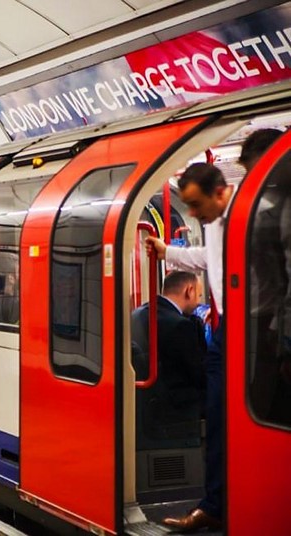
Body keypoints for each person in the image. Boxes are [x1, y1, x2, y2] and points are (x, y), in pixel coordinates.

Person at [146, 163, 231, 532]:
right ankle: (215, 503)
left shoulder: (251, 218)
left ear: (220, 193)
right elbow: (207, 259)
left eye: (195, 205)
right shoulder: (214, 224)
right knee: (217, 417)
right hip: (227, 327)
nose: (192, 214)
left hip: (256, 326)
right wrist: (168, 253)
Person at [131, 271, 206, 440]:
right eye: (199, 296)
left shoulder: (138, 313)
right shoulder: (180, 326)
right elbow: (199, 375)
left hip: (147, 405)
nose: (199, 303)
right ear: (189, 291)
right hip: (174, 407)